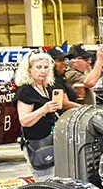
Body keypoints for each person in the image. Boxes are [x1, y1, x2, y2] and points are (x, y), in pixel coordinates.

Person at [14, 51, 80, 179]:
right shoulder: (26, 91)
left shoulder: (46, 88)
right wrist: (43, 110)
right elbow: (24, 121)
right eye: (38, 67)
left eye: (46, 67)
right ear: (29, 69)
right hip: (37, 144)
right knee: (44, 178)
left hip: (51, 141)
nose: (43, 71)